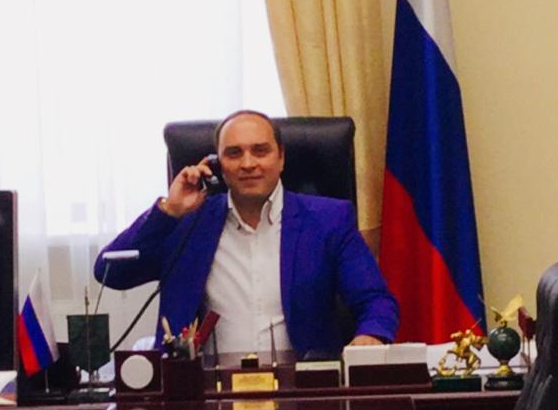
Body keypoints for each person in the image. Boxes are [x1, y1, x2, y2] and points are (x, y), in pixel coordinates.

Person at [95, 110, 398, 356]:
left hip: (302, 389)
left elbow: (375, 300)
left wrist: (370, 336)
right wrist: (168, 211)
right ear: (217, 165)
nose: (248, 163)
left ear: (281, 158)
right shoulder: (187, 223)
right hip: (206, 392)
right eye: (234, 153)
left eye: (260, 151)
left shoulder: (328, 220)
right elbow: (110, 271)